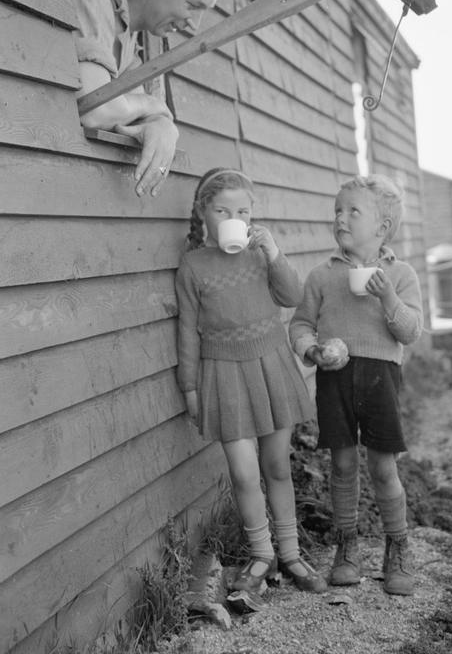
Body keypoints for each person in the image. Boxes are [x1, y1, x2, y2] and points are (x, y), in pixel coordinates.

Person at [175, 167, 328, 594]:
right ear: (203, 212)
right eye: (222, 209)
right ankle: (263, 556)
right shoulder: (192, 266)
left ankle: (292, 554)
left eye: (242, 210)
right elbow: (187, 330)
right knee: (244, 474)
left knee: (277, 466)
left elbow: (293, 297)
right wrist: (189, 387)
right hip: (223, 375)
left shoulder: (260, 253)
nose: (232, 216)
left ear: (251, 214)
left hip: (270, 365)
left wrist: (275, 254)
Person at [289, 174, 423, 596]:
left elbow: (410, 332)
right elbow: (300, 325)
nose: (341, 219)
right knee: (343, 466)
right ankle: (346, 548)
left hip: (381, 379)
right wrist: (312, 352)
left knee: (383, 467)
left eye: (352, 211)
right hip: (335, 379)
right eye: (337, 211)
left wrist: (387, 299)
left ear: (382, 228)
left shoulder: (400, 275)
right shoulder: (322, 276)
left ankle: (397, 547)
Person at [72, 0, 231, 197]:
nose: (194, 25)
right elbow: (96, 111)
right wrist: (150, 105)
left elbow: (138, 111)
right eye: (193, 5)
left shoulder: (129, 37)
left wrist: (163, 126)